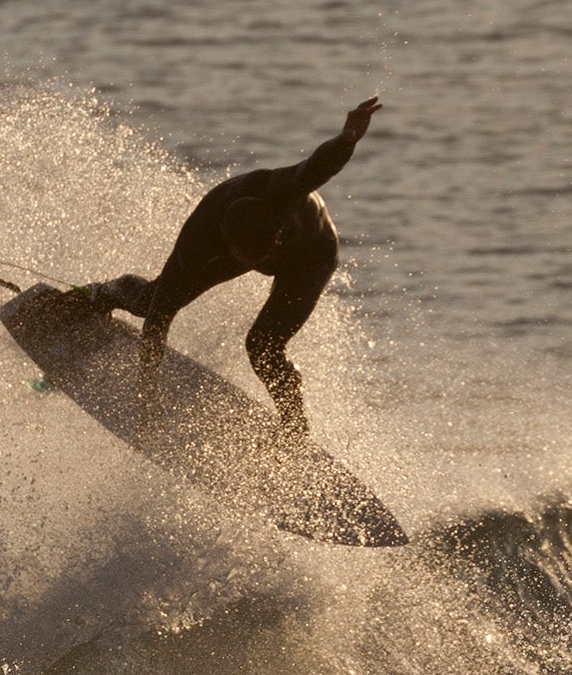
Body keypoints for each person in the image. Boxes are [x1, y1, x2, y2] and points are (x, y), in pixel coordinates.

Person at [78, 96, 382, 441]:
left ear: (276, 233)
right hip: (234, 245)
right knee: (153, 301)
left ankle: (294, 429)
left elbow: (320, 165)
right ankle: (103, 293)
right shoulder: (199, 241)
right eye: (250, 260)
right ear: (228, 243)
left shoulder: (285, 188)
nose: (258, 269)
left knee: (265, 345)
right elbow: (159, 320)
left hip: (312, 254)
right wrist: (147, 400)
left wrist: (346, 138)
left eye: (262, 257)